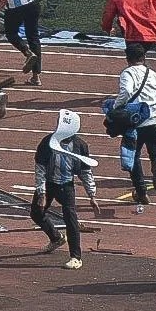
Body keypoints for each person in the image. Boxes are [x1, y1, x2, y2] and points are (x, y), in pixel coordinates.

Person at [32, 114, 97, 270]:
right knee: (36, 213)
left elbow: (85, 171)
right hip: (48, 183)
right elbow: (40, 168)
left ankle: (76, 257)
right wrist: (41, 193)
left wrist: (92, 195)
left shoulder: (80, 145)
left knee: (71, 218)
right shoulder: (47, 143)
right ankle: (56, 238)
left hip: (66, 185)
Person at [114, 43, 156, 204]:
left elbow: (127, 92)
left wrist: (116, 107)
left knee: (134, 157)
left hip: (136, 122)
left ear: (127, 59)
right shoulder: (154, 74)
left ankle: (141, 192)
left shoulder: (127, 73)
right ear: (144, 58)